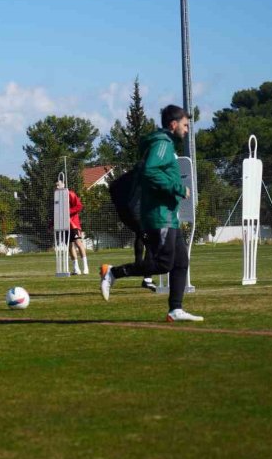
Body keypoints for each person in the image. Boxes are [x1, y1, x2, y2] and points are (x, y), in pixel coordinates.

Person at [100, 105, 204, 322]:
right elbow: (150, 171)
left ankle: (175, 309)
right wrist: (177, 188)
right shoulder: (162, 144)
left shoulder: (165, 144)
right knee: (164, 264)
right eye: (185, 125)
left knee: (181, 262)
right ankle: (113, 272)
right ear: (173, 124)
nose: (187, 130)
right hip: (160, 215)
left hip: (169, 215)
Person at [56, 181, 88, 275]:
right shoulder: (57, 198)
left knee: (78, 243)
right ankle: (76, 269)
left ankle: (85, 267)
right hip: (64, 225)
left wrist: (68, 211)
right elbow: (57, 212)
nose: (57, 187)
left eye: (58, 185)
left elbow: (79, 206)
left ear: (63, 185)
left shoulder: (70, 194)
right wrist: (52, 223)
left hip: (73, 224)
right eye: (55, 186)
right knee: (70, 246)